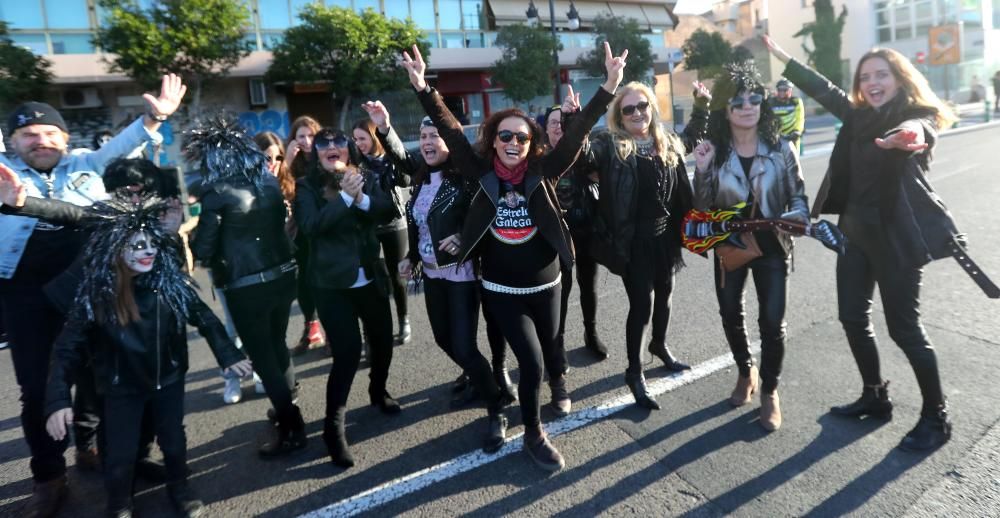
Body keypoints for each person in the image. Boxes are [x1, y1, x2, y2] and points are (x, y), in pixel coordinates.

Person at [402, 42, 625, 471]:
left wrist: (608, 87)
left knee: (550, 348)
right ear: (493, 140)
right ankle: (533, 434)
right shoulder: (481, 172)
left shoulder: (545, 171)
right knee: (532, 361)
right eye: (505, 135)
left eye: (522, 137)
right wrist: (423, 89)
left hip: (549, 285)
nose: (514, 142)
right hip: (501, 289)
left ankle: (515, 405)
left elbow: (577, 135)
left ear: (531, 143)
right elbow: (450, 132)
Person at [0, 74, 185, 518]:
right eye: (28, 135)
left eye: (49, 133)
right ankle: (49, 478)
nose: (40, 141)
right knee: (38, 389)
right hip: (25, 296)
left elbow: (121, 146)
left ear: (65, 137)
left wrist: (154, 117)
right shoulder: (3, 174)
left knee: (108, 378)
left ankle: (110, 455)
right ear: (11, 142)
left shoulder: (86, 163)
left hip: (95, 287)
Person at [764, 36, 960, 451]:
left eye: (881, 75)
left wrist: (906, 136)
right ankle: (875, 394)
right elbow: (825, 90)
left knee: (905, 330)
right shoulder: (856, 117)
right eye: (865, 76)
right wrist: (784, 59)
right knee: (853, 318)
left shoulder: (914, 115)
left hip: (895, 239)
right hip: (854, 235)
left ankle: (936, 416)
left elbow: (920, 129)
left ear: (899, 79)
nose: (872, 82)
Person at [40, 195, 251, 518]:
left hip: (168, 378)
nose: (149, 250)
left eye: (151, 243)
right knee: (120, 452)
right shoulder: (98, 292)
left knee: (174, 442)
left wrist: (228, 355)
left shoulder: (169, 283)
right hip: (120, 387)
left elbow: (204, 317)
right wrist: (57, 401)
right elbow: (65, 348)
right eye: (137, 246)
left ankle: (180, 490)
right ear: (116, 249)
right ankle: (120, 504)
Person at [367, 103, 508, 452]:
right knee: (444, 340)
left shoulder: (465, 177)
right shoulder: (421, 175)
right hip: (430, 275)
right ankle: (479, 379)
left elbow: (488, 213)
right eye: (424, 136)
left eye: (437, 136)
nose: (428, 142)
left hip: (460, 275)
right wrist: (411, 257)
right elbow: (405, 167)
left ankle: (496, 406)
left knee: (463, 345)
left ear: (451, 142)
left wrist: (465, 236)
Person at [575, 79, 710, 410]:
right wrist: (576, 120)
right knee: (642, 306)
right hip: (631, 242)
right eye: (629, 109)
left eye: (642, 106)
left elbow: (692, 137)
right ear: (620, 117)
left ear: (652, 107)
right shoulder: (611, 145)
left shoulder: (665, 142)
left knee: (666, 295)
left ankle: (659, 347)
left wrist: (702, 105)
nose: (637, 113)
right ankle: (634, 373)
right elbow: (581, 156)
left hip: (665, 237)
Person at [692, 61, 809, 431]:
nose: (747, 105)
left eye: (754, 98)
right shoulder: (716, 152)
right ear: (725, 109)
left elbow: (799, 196)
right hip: (730, 245)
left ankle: (770, 391)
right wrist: (704, 169)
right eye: (738, 100)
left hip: (773, 245)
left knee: (772, 323)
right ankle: (746, 371)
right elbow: (703, 208)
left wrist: (797, 217)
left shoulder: (781, 149)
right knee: (730, 314)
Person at [186, 117, 304, 458]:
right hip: (283, 274)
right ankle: (287, 401)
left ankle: (290, 422)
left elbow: (203, 250)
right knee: (277, 344)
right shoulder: (267, 181)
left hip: (245, 284)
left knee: (263, 356)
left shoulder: (217, 192)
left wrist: (192, 237)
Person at [293, 127, 399, 468]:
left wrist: (362, 198)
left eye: (340, 142)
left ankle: (378, 392)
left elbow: (388, 211)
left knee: (382, 341)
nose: (332, 147)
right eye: (324, 144)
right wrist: (344, 199)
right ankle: (333, 430)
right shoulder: (306, 186)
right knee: (348, 353)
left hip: (370, 277)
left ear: (350, 150)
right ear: (317, 153)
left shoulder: (362, 176)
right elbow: (310, 226)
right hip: (330, 285)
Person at [546, 103, 608, 361]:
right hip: (555, 238)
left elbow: (592, 159)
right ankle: (557, 342)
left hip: (585, 232)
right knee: (560, 292)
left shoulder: (582, 155)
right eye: (554, 122)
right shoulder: (540, 158)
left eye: (564, 122)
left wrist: (576, 124)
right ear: (545, 129)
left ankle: (590, 334)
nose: (559, 127)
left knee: (588, 287)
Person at [353, 118, 412, 345]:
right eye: (356, 139)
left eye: (363, 138)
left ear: (374, 138)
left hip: (394, 223)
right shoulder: (355, 163)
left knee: (397, 275)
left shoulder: (389, 159)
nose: (359, 143)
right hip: (367, 225)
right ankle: (373, 331)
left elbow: (407, 180)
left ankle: (404, 319)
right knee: (373, 278)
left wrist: (394, 159)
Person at [285, 116, 327, 354]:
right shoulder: (292, 162)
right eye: (301, 136)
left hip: (324, 227)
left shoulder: (326, 157)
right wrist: (288, 159)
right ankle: (311, 327)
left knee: (326, 277)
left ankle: (331, 329)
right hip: (300, 231)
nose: (307, 141)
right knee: (304, 280)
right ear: (294, 139)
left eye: (311, 135)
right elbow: (279, 186)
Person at [770, 78, 805, 152]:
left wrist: (797, 130)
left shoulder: (796, 101)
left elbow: (800, 118)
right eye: (780, 89)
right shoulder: (771, 102)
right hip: (776, 136)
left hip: (792, 135)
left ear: (790, 90)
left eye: (785, 89)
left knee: (793, 160)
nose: (782, 92)